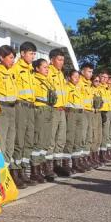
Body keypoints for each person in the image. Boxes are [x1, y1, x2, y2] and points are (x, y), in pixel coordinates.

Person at [0, 46, 23, 188]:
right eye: (10, 57)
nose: (13, 60)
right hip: (2, 109)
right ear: (1, 58)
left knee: (11, 143)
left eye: (14, 57)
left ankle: (6, 176)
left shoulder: (12, 72)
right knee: (1, 143)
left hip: (13, 109)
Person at [13, 42, 40, 185]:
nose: (33, 56)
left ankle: (24, 170)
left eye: (34, 53)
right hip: (21, 106)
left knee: (29, 140)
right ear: (22, 53)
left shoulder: (30, 70)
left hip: (31, 107)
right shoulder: (16, 68)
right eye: (31, 53)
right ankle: (15, 171)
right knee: (20, 140)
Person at [47, 49, 71, 177]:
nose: (62, 62)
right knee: (51, 139)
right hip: (53, 109)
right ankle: (48, 166)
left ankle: (57, 164)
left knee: (61, 138)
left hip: (62, 109)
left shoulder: (60, 74)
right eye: (59, 59)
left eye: (63, 60)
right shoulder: (48, 72)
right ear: (52, 60)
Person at [32, 58, 56, 181]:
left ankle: (42, 166)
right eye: (44, 67)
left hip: (48, 109)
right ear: (37, 68)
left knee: (46, 140)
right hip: (39, 110)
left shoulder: (48, 81)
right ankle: (35, 168)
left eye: (48, 67)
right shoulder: (34, 79)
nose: (47, 69)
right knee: (38, 140)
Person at [63, 70, 85, 172]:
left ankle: (76, 162)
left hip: (80, 113)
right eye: (74, 76)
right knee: (70, 138)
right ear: (69, 77)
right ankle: (66, 163)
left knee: (78, 138)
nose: (77, 78)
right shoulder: (66, 87)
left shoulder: (79, 88)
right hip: (71, 113)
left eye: (78, 77)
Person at [77, 63, 95, 171]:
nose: (91, 74)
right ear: (83, 71)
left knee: (89, 136)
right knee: (82, 137)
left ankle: (86, 159)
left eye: (92, 72)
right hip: (82, 112)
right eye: (89, 71)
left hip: (90, 112)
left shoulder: (89, 84)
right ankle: (79, 160)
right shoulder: (79, 82)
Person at [97, 71, 111, 162]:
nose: (104, 79)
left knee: (107, 134)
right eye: (103, 77)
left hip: (107, 111)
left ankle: (106, 153)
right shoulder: (98, 87)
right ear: (99, 77)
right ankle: (101, 154)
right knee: (103, 134)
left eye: (106, 77)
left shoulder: (106, 88)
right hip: (101, 112)